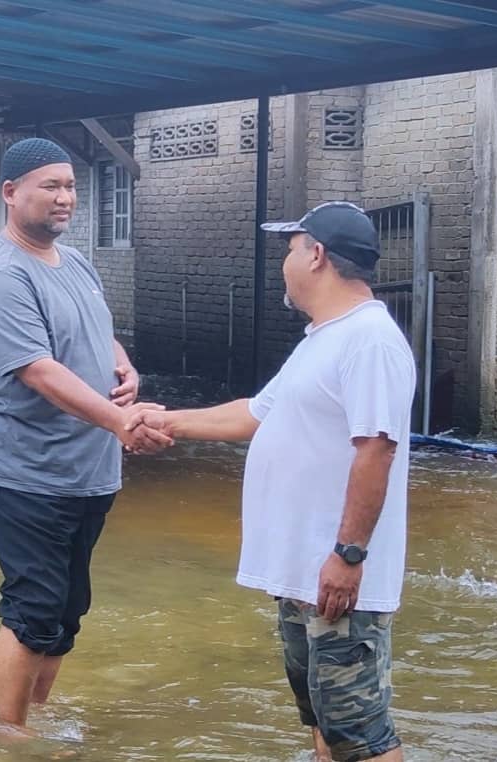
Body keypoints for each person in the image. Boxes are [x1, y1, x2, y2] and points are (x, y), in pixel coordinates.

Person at [129, 202, 413, 762]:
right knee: (323, 719)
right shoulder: (322, 339)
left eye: (290, 248)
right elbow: (256, 414)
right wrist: (163, 421)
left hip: (337, 573)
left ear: (317, 256)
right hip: (304, 571)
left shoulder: (370, 340)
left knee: (361, 734)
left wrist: (349, 554)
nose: (284, 262)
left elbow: (376, 450)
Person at [0, 138, 170, 730]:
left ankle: (35, 714)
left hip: (86, 473)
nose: (65, 198)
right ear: (11, 193)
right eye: (50, 186)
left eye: (71, 186)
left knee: (67, 609)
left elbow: (93, 330)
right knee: (35, 604)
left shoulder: (74, 262)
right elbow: (40, 372)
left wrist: (123, 365)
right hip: (20, 474)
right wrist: (124, 422)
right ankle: (9, 733)